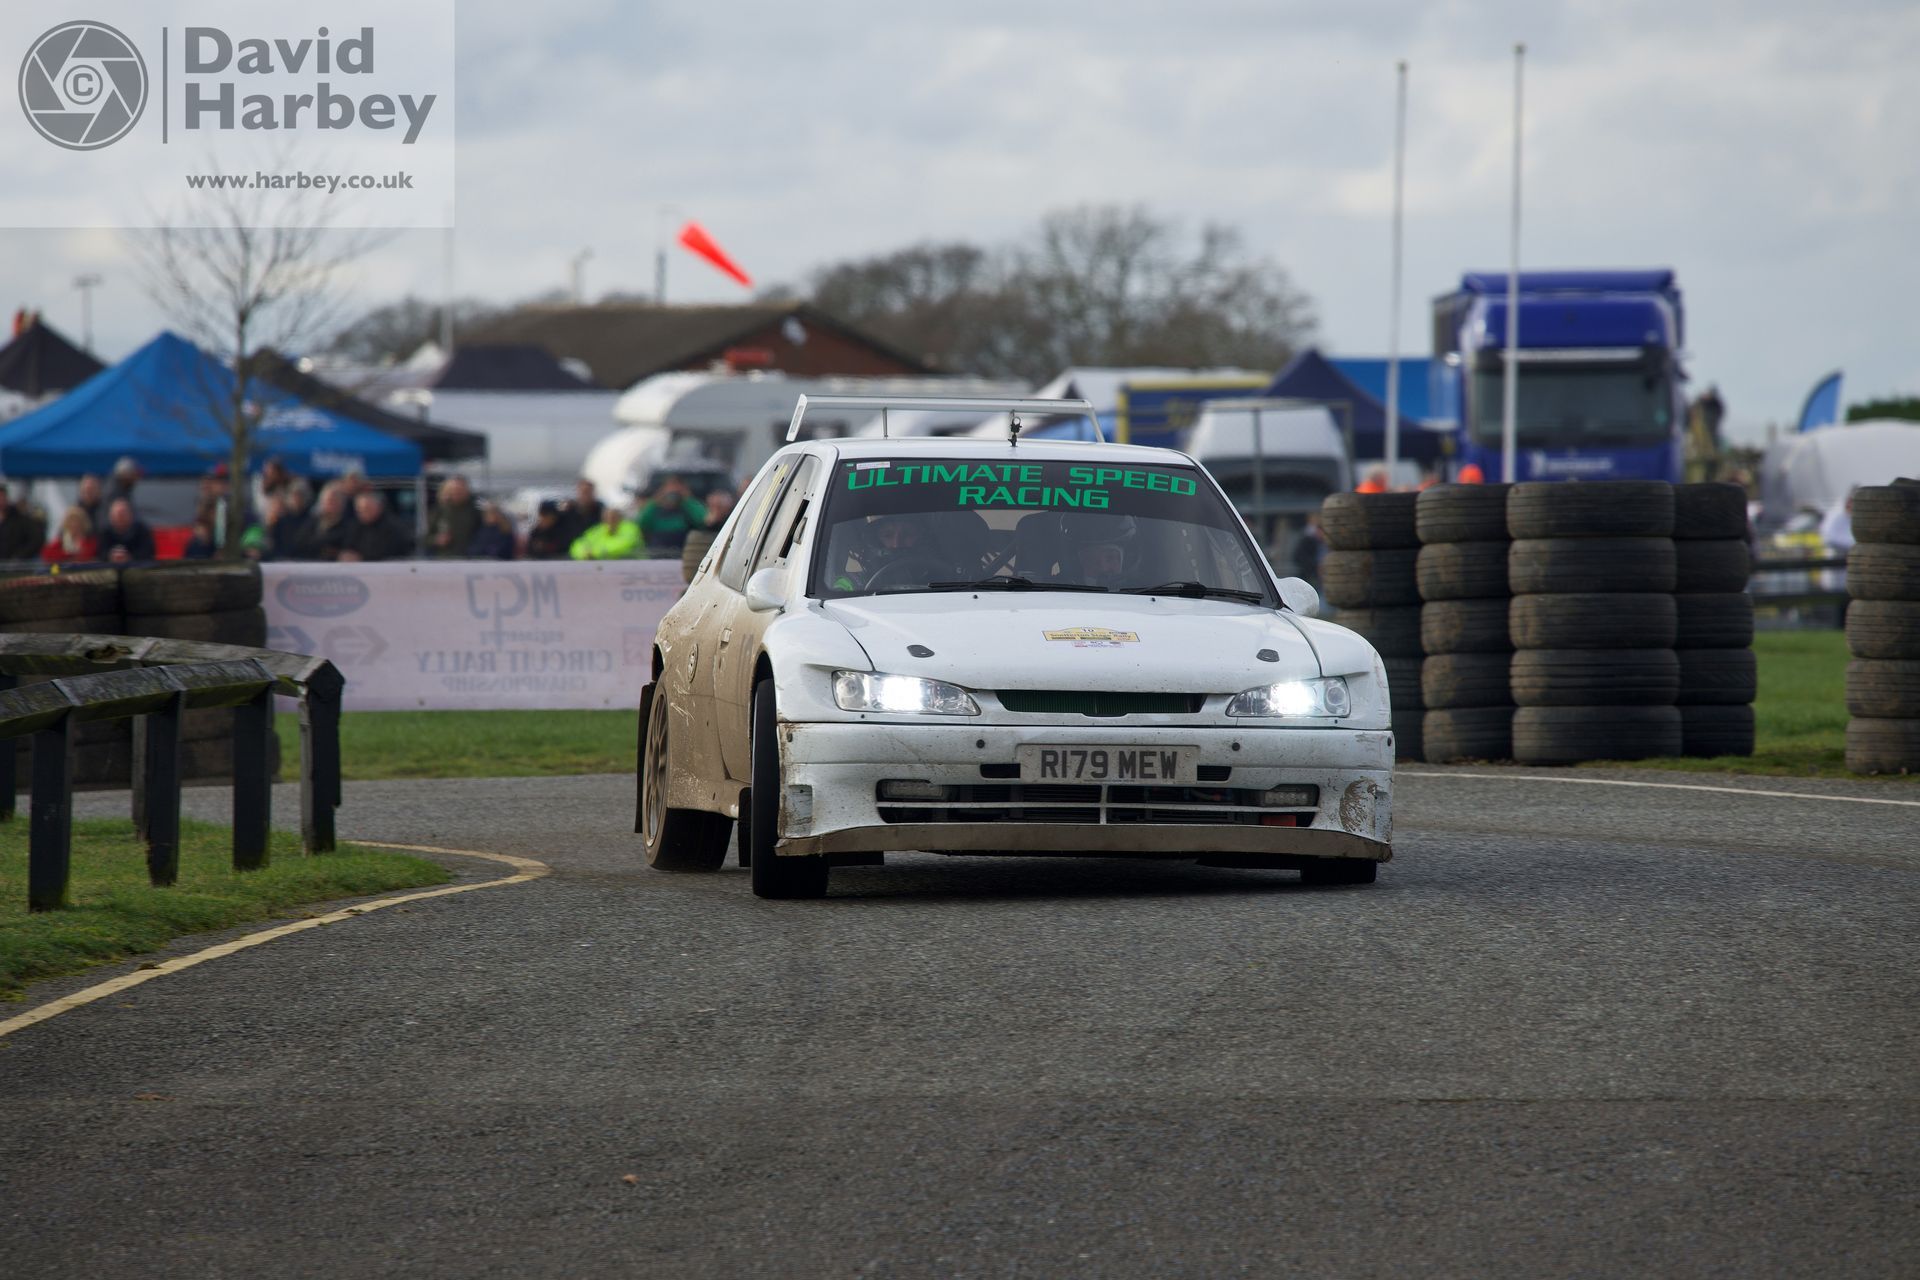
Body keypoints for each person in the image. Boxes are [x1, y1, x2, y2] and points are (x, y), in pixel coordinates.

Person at [328, 491, 415, 562]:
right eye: (359, 510)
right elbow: (347, 544)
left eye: (367, 509)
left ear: (379, 507)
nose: (363, 513)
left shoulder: (393, 527)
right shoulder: (355, 526)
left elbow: (389, 552)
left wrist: (361, 558)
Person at [635, 477, 708, 558]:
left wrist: (687, 499)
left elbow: (702, 520)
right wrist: (656, 500)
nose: (673, 494)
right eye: (669, 488)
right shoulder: (654, 509)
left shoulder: (687, 507)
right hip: (657, 555)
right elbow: (642, 523)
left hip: (682, 555)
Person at [680, 488, 736, 583]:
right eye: (713, 507)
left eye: (719, 507)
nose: (716, 511)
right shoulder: (698, 525)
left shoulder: (733, 525)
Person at [427, 474, 480, 558]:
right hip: (444, 560)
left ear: (467, 491)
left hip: (470, 560)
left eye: (460, 490)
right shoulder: (439, 511)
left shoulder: (476, 511)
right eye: (453, 490)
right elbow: (424, 538)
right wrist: (436, 540)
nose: (457, 493)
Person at [569, 504, 642, 560]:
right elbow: (578, 544)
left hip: (633, 567)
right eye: (607, 517)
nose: (610, 520)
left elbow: (622, 545)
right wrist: (584, 553)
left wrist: (594, 552)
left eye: (613, 517)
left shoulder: (630, 528)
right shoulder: (597, 530)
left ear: (620, 517)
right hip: (604, 569)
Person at [97, 498, 156, 564]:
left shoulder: (141, 530)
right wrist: (111, 557)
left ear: (131, 515)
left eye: (123, 515)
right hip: (110, 569)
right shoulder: (105, 532)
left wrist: (129, 558)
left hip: (137, 569)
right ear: (111, 517)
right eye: (117, 516)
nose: (120, 519)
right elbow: (100, 554)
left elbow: (148, 553)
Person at [0, 487, 41, 560]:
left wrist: (20, 556)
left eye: (2, 497)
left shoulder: (20, 520)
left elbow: (36, 539)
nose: (1, 501)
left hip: (15, 567)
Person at [1291, 512, 1327, 587]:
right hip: (1310, 577)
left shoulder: (1324, 543)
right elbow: (1298, 557)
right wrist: (1315, 566)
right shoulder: (1308, 541)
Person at [563, 478, 603, 542]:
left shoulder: (601, 510)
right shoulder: (569, 510)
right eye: (583, 492)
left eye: (588, 492)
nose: (586, 496)